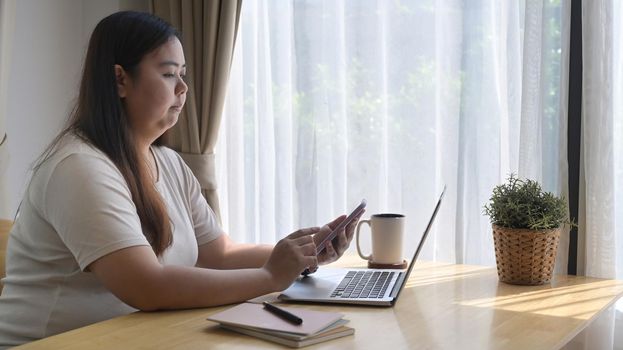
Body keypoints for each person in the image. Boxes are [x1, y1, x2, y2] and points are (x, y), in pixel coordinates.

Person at [0, 11, 362, 348]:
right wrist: (270, 277)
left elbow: (218, 254)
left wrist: (299, 255)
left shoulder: (168, 162)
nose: (183, 89)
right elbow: (147, 287)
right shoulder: (78, 167)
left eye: (183, 74)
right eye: (169, 73)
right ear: (120, 80)